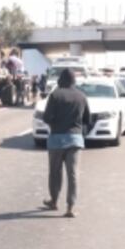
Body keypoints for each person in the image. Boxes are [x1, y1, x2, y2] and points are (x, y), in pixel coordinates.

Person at [41, 68, 92, 218]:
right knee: (73, 174)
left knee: (55, 173)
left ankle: (54, 201)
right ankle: (70, 207)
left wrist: (54, 124)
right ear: (74, 81)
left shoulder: (55, 95)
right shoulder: (82, 96)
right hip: (75, 139)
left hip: (56, 139)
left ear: (60, 79)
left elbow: (46, 117)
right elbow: (87, 120)